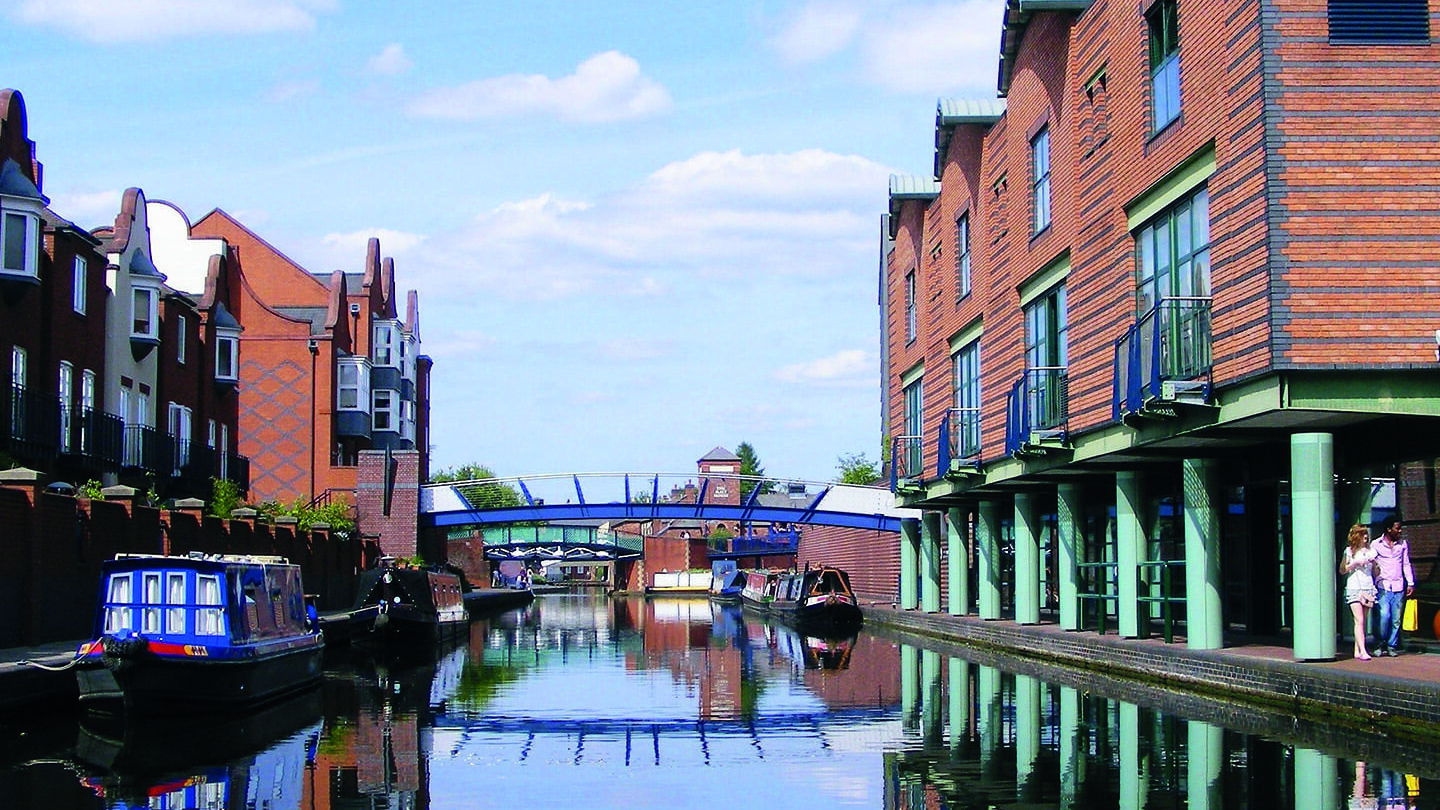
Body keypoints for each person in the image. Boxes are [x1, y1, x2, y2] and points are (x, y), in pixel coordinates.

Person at [1370, 520, 1414, 656]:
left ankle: (1391, 645)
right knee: (1384, 615)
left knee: (1396, 619)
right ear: (1389, 529)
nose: (1400, 531)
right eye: (1397, 529)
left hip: (1398, 585)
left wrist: (1410, 582)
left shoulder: (1402, 545)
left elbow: (1406, 564)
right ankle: (1380, 642)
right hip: (1383, 585)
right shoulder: (1376, 544)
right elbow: (1371, 564)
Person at [1341, 524, 1378, 661]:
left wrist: (1374, 564)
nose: (1366, 537)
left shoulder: (1371, 551)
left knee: (1363, 619)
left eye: (1366, 534)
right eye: (1363, 535)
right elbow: (1342, 570)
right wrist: (1355, 563)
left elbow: (1376, 573)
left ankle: (1357, 650)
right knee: (1359, 620)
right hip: (1354, 587)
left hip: (1368, 587)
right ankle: (1363, 650)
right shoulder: (1349, 551)